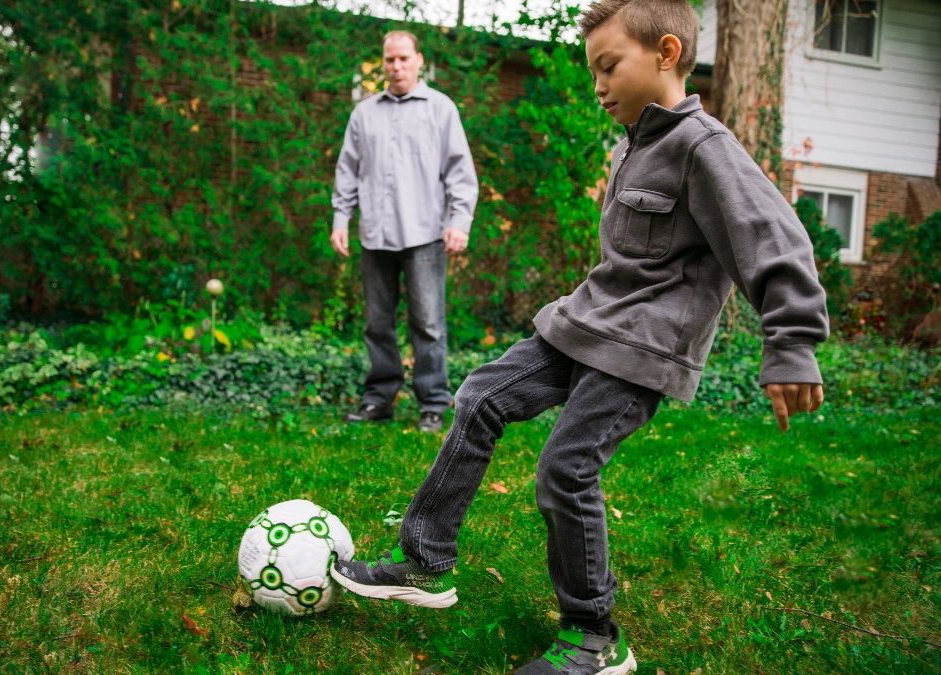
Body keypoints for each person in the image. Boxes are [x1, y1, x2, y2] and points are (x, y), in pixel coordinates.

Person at [330, 1, 828, 673]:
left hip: (641, 346)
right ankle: (424, 560)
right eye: (593, 68)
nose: (598, 84)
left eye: (608, 66)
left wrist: (791, 342)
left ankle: (594, 635)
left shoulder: (701, 147)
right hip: (587, 322)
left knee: (565, 468)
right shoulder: (633, 142)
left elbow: (773, 239)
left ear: (667, 53)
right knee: (480, 395)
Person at [330, 30, 479, 433]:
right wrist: (341, 219)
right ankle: (379, 398)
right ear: (383, 64)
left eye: (403, 59)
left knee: (428, 324)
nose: (395, 66)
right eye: (389, 60)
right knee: (376, 323)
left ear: (418, 61)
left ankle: (432, 403)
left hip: (424, 235)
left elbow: (460, 173)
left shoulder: (440, 109)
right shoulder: (364, 113)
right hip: (375, 235)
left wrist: (458, 222)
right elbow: (347, 170)